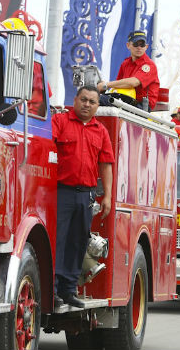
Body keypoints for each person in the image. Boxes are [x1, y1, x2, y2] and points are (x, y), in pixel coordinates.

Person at [52, 86, 114, 307]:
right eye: (83, 100)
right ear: (75, 99)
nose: (87, 104)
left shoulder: (101, 131)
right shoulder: (60, 122)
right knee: (58, 241)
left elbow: (106, 165)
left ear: (98, 106)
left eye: (92, 102)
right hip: (61, 192)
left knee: (78, 242)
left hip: (86, 195)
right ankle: (53, 291)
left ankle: (69, 291)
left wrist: (106, 196)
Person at [97, 31, 159, 111]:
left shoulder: (149, 65)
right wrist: (102, 88)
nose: (139, 47)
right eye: (136, 44)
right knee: (93, 98)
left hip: (141, 106)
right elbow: (118, 84)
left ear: (146, 47)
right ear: (128, 45)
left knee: (97, 99)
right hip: (126, 100)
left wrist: (106, 85)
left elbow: (134, 82)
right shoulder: (125, 63)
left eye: (142, 45)